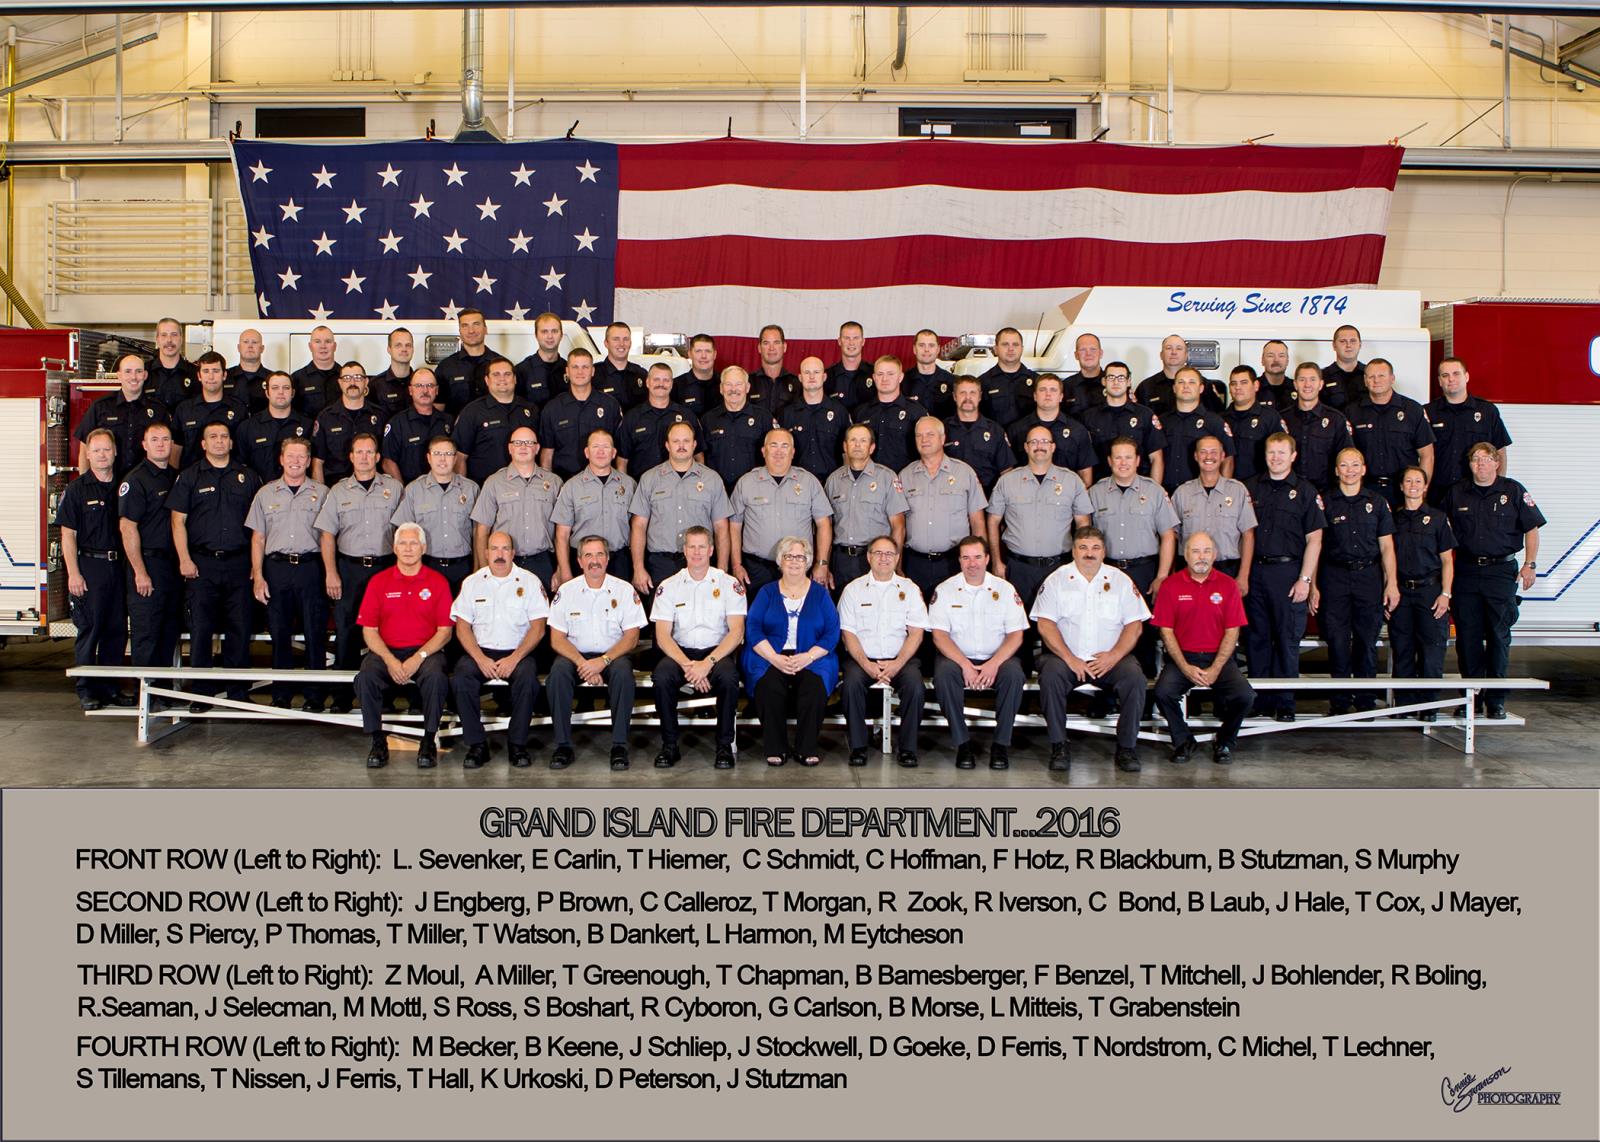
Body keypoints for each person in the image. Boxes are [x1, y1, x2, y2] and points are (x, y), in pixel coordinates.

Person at [1033, 527, 1150, 773]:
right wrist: (1070, 658)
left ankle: (1127, 748)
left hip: (1110, 659)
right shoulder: (1056, 580)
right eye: (1083, 547)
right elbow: (1045, 624)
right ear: (1073, 551)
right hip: (1067, 658)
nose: (1089, 553)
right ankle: (1059, 745)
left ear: (1104, 552)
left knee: (1134, 678)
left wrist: (1114, 656)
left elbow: (1135, 625)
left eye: (1095, 548)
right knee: (1051, 675)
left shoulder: (1120, 580)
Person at [1443, 441, 1544, 718]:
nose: (1481, 464)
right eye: (1476, 459)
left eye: (1487, 459)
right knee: (1468, 638)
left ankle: (1496, 699)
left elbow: (1532, 529)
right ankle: (1471, 698)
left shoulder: (1512, 491)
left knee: (1499, 637)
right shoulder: (1457, 493)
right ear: (1470, 463)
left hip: (1500, 573)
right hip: (1466, 572)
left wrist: (1530, 564)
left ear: (1497, 463)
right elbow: (1442, 530)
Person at [171, 421, 263, 706]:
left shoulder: (247, 477)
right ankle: (201, 693)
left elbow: (259, 526)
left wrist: (255, 566)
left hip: (238, 563)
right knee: (201, 630)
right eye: (213, 437)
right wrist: (184, 559)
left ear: (232, 443)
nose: (219, 441)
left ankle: (237, 693)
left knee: (240, 628)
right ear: (203, 443)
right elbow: (177, 521)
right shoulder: (189, 477)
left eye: (224, 436)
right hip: (202, 565)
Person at [353, 521, 454, 769]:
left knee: (436, 678)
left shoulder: (438, 582)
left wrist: (417, 658)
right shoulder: (378, 582)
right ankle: (378, 741)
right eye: (402, 544)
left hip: (426, 651)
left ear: (423, 547)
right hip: (387, 650)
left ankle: (429, 739)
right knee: (365, 676)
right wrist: (389, 660)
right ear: (394, 548)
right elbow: (369, 630)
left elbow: (445, 632)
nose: (408, 549)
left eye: (413, 543)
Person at [1149, 532, 1255, 765]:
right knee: (1163, 693)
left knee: (1245, 696)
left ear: (1215, 555)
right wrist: (1185, 667)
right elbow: (1166, 631)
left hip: (1219, 658)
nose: (1202, 557)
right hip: (1182, 658)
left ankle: (1225, 742)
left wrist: (1216, 667)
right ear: (1185, 555)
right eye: (1195, 551)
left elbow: (1232, 631)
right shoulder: (1170, 585)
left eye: (1207, 551)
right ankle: (1184, 741)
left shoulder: (1228, 586)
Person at [314, 433, 402, 712]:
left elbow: (405, 532)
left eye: (369, 452)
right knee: (347, 633)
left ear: (378, 457)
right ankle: (342, 697)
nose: (364, 457)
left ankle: (386, 697)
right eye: (359, 452)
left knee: (390, 632)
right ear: (351, 457)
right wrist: (331, 573)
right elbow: (327, 535)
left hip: (386, 569)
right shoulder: (337, 492)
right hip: (349, 570)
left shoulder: (395, 489)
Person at [546, 536, 648, 771]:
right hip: (575, 656)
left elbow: (631, 637)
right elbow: (557, 639)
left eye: (600, 554)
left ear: (608, 558)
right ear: (579, 560)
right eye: (589, 555)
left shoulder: (624, 590)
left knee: (623, 674)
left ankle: (619, 745)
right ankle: (563, 745)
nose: (595, 561)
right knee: (558, 674)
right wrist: (584, 664)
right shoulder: (566, 591)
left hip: (613, 654)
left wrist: (602, 661)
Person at [1242, 432, 1325, 722]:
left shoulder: (1305, 491)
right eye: (1271, 452)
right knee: (1257, 639)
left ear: (1293, 456)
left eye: (1281, 453)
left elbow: (1315, 540)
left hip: (1289, 573)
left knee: (1287, 640)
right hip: (1256, 572)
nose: (1275, 458)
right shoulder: (1250, 488)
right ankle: (1259, 700)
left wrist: (1305, 579)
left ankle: (1285, 703)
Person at [1310, 447, 1399, 716]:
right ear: (1336, 470)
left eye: (1355, 465)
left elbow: (1387, 548)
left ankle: (1365, 700)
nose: (1350, 470)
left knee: (1366, 639)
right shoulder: (1325, 502)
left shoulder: (1378, 502)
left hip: (1368, 577)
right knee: (1336, 640)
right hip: (1334, 576)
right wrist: (1313, 585)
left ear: (1364, 469)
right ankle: (1339, 700)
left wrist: (1391, 583)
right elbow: (1316, 545)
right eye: (1344, 465)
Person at [451, 530, 550, 769]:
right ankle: (477, 745)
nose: (500, 554)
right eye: (494, 549)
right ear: (485, 553)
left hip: (518, 652)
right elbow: (462, 627)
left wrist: (514, 658)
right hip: (480, 652)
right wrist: (480, 659)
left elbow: (538, 628)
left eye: (505, 549)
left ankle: (517, 745)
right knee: (461, 678)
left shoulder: (529, 581)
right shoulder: (472, 582)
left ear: (513, 553)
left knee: (528, 680)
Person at [651, 526, 747, 770]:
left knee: (728, 677)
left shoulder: (728, 584)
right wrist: (689, 666)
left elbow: (736, 632)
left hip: (717, 652)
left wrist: (707, 664)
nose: (696, 552)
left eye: (701, 546)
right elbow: (662, 636)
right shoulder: (669, 586)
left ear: (711, 550)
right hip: (680, 653)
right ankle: (670, 745)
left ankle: (724, 746)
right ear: (684, 551)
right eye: (691, 547)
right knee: (662, 677)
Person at [928, 535, 1028, 770]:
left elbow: (1016, 635)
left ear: (987, 559)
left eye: (977, 557)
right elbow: (939, 636)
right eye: (966, 558)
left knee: (1014, 675)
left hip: (998, 657)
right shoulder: (945, 590)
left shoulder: (1004, 589)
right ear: (959, 560)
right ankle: (962, 743)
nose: (972, 563)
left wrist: (994, 663)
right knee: (943, 675)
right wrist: (964, 664)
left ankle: (1001, 744)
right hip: (957, 657)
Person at [742, 535, 840, 768]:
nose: (794, 561)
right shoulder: (767, 592)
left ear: (807, 561)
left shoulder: (820, 593)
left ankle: (806, 748)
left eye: (800, 556)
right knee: (769, 686)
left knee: (813, 687)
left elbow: (832, 632)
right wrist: (775, 658)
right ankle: (775, 747)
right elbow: (753, 629)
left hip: (811, 656)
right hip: (770, 655)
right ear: (780, 561)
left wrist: (807, 657)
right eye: (789, 556)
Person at [246, 437, 330, 710]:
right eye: (290, 456)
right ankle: (281, 694)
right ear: (281, 459)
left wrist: (331, 573)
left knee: (315, 632)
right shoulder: (265, 493)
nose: (296, 462)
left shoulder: (323, 493)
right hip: (277, 568)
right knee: (279, 632)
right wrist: (258, 575)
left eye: (301, 457)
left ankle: (314, 696)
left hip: (311, 567)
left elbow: (329, 537)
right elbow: (258, 538)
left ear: (308, 460)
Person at [1088, 436, 1180, 680]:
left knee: (1145, 634)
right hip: (1106, 572)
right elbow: (1085, 536)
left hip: (1144, 571)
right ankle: (1106, 697)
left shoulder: (1154, 491)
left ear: (1138, 460)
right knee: (1106, 630)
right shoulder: (1096, 493)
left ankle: (1145, 698)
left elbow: (1168, 536)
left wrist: (1162, 576)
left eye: (1128, 457)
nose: (1123, 462)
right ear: (1109, 461)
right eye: (1118, 457)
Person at [58, 429, 133, 710]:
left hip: (119, 567)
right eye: (96, 450)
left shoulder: (125, 486)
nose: (102, 455)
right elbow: (68, 536)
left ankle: (111, 688)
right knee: (91, 629)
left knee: (116, 631)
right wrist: (74, 574)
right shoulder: (77, 490)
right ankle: (87, 689)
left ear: (115, 452)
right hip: (90, 566)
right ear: (88, 455)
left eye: (106, 449)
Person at [837, 536, 928, 768]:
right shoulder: (853, 590)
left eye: (889, 554)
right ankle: (858, 746)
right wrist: (866, 663)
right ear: (868, 557)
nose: (884, 558)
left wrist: (897, 663)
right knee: (850, 685)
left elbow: (916, 633)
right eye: (878, 553)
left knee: (915, 687)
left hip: (902, 660)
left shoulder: (910, 589)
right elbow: (848, 634)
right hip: (861, 659)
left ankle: (907, 748)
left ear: (897, 558)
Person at [987, 425, 1093, 611]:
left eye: (1045, 441)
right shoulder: (1007, 481)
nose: (1039, 446)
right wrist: (996, 562)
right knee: (1018, 625)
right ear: (1026, 447)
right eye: (1033, 442)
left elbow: (1083, 524)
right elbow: (993, 521)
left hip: (1059, 567)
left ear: (1053, 447)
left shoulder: (1072, 481)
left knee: (1060, 624)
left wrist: (1082, 562)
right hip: (1019, 569)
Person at [629, 421, 733, 592]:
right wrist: (638, 568)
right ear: (667, 445)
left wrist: (721, 570)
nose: (681, 446)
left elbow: (721, 527)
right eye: (676, 441)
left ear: (694, 445)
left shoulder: (712, 479)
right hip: (660, 564)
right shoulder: (650, 479)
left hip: (700, 562)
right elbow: (638, 526)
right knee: (662, 617)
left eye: (686, 441)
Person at [1388, 466, 1456, 722]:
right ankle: (1403, 706)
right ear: (1401, 486)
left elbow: (1447, 560)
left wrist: (1446, 594)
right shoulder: (1393, 519)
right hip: (1402, 592)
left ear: (1426, 487)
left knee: (1432, 652)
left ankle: (1429, 707)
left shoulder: (1438, 519)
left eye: (1418, 481)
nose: (1413, 485)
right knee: (1402, 649)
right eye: (1408, 481)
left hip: (1430, 592)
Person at [730, 429, 833, 595]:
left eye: (785, 446)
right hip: (756, 570)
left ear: (792, 452)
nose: (779, 451)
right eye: (773, 445)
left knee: (797, 618)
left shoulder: (809, 482)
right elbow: (734, 526)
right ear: (764, 451)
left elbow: (824, 525)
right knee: (759, 617)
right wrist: (736, 565)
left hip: (797, 568)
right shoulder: (746, 482)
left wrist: (822, 563)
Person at [900, 417, 988, 601]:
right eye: (919, 435)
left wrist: (981, 563)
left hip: (954, 563)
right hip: (916, 564)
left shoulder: (964, 473)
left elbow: (977, 522)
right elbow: (898, 525)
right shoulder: (905, 475)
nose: (924, 440)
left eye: (930, 434)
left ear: (942, 438)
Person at [118, 421, 181, 674]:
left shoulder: (176, 476)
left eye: (165, 439)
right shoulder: (136, 480)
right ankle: (147, 694)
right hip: (148, 564)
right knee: (147, 632)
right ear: (144, 445)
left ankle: (163, 693)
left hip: (171, 566)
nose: (161, 444)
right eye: (154, 440)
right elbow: (127, 527)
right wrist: (140, 572)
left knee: (168, 630)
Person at [471, 426, 561, 585]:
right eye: (518, 443)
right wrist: (485, 569)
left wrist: (560, 567)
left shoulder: (554, 482)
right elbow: (482, 531)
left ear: (537, 448)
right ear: (510, 448)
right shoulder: (494, 482)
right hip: (503, 562)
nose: (523, 447)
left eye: (529, 442)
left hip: (542, 562)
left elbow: (561, 532)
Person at [391, 437, 478, 598]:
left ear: (455, 458)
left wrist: (478, 568)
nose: (443, 459)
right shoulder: (414, 490)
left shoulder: (471, 489)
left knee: (462, 618)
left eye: (448, 454)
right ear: (429, 458)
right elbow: (403, 531)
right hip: (426, 566)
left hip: (462, 567)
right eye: (437, 453)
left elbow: (478, 532)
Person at [824, 425, 908, 591]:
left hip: (876, 560)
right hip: (841, 562)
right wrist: (825, 564)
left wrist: (896, 565)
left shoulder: (887, 477)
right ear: (845, 446)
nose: (857, 445)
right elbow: (826, 527)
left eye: (863, 441)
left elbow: (898, 526)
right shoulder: (834, 480)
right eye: (853, 440)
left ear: (872, 448)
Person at [552, 429, 635, 586]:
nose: (601, 451)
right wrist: (565, 571)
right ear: (587, 452)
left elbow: (637, 528)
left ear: (614, 452)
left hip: (619, 562)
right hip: (583, 562)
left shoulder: (629, 485)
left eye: (606, 446)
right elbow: (561, 535)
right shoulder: (571, 486)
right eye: (596, 446)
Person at [1347, 359, 1434, 508]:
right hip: (1365, 490)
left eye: (1381, 376)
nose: (1376, 380)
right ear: (1365, 381)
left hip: (1403, 492)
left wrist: (1420, 491)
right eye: (1371, 377)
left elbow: (1427, 455)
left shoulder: (1412, 410)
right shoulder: (1352, 412)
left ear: (1392, 379)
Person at [1171, 435, 1257, 583]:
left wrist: (1243, 576)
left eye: (1214, 452)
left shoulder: (1237, 490)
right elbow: (1172, 536)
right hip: (1189, 573)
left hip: (1228, 570)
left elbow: (1248, 535)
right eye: (1203, 452)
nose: (1208, 456)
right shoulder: (1182, 492)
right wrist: (1171, 574)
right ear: (1196, 456)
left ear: (1222, 456)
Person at [1426, 357, 1512, 503]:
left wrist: (1497, 487)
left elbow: (1500, 452)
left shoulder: (1487, 411)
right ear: (1439, 381)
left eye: (1456, 374)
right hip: (1438, 493)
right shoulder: (1428, 412)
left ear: (1466, 376)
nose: (1451, 379)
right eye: (1445, 375)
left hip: (1476, 493)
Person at [75, 352, 170, 478]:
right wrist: (85, 484)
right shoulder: (100, 407)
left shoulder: (158, 410)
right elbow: (84, 449)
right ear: (119, 375)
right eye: (128, 371)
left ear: (145, 375)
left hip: (146, 484)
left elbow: (168, 448)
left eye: (138, 371)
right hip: (108, 483)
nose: (134, 377)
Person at [538, 349, 624, 480]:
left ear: (593, 371)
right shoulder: (553, 408)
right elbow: (547, 454)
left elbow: (619, 449)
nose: (580, 372)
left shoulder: (610, 405)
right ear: (567, 371)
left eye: (585, 367)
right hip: (564, 482)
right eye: (575, 367)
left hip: (602, 482)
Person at [453, 357, 538, 485]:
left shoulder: (530, 410)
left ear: (515, 379)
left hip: (525, 488)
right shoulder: (472, 412)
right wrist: (461, 491)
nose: (502, 379)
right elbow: (460, 457)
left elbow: (538, 450)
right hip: (484, 489)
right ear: (487, 380)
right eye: (496, 374)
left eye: (507, 374)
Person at [1081, 361, 1166, 486]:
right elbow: (1084, 461)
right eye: (1111, 377)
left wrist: (1155, 492)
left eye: (1121, 378)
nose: (1116, 382)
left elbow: (1156, 458)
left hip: (1139, 488)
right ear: (1103, 381)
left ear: (1129, 381)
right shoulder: (1089, 417)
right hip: (1101, 489)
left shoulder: (1144, 415)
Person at [1006, 373, 1096, 483]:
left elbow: (1085, 474)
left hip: (1066, 497)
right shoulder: (1017, 430)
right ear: (1035, 396)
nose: (1048, 394)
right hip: (1026, 496)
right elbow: (1009, 472)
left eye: (1053, 390)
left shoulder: (1078, 431)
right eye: (1043, 390)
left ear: (1061, 396)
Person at [1158, 368, 1235, 493]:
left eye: (1192, 382)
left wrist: (1221, 494)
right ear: (1174, 388)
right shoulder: (1162, 422)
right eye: (1181, 382)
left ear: (1201, 388)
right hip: (1166, 493)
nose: (1186, 386)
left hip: (1200, 494)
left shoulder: (1215, 422)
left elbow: (1227, 460)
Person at [619, 362, 701, 475]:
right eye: (656, 379)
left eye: (666, 380)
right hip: (641, 488)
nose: (661, 384)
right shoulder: (632, 417)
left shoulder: (687, 416)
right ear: (647, 382)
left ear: (672, 384)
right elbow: (622, 461)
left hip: (679, 487)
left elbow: (699, 457)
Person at [1282, 362, 1352, 492]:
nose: (1307, 385)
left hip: (1326, 493)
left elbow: (1347, 458)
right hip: (1289, 492)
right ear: (1295, 384)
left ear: (1320, 384)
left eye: (1312, 380)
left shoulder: (1336, 419)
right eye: (1302, 380)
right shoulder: (1282, 419)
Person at [311, 361, 384, 486]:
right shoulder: (326, 417)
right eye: (347, 378)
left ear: (366, 382)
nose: (352, 383)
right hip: (335, 488)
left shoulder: (380, 415)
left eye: (358, 378)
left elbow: (386, 459)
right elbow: (317, 462)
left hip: (372, 488)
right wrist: (322, 496)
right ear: (340, 383)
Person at [703, 366, 774, 492]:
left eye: (738, 384)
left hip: (754, 490)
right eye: (728, 384)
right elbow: (701, 457)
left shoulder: (763, 417)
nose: (733, 389)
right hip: (717, 491)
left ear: (747, 387)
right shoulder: (708, 419)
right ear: (721, 388)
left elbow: (771, 454)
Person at [780, 356, 851, 482]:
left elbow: (848, 452)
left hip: (832, 484)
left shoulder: (839, 412)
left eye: (816, 372)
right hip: (796, 485)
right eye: (807, 373)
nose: (811, 377)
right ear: (800, 378)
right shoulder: (787, 414)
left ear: (824, 377)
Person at [173, 351, 248, 468]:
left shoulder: (238, 408)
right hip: (192, 480)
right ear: (199, 376)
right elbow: (176, 449)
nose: (211, 376)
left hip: (230, 478)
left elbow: (244, 449)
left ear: (224, 375)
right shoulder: (184, 409)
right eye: (206, 371)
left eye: (216, 371)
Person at [380, 368, 454, 485]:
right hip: (411, 493)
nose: (425, 390)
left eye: (430, 385)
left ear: (436, 390)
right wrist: (404, 493)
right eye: (419, 385)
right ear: (410, 390)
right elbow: (388, 463)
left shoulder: (448, 421)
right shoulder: (397, 423)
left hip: (443, 491)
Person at [238, 371, 313, 484]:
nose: (281, 392)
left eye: (286, 388)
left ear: (292, 393)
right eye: (275, 388)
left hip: (299, 494)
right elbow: (241, 466)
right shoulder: (248, 427)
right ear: (267, 393)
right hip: (259, 493)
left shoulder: (308, 426)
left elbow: (314, 464)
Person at [943, 377, 1014, 494]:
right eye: (962, 393)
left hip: (987, 497)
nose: (967, 398)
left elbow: (1007, 472)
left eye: (972, 393)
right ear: (954, 396)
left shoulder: (995, 430)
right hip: (951, 497)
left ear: (980, 396)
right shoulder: (942, 429)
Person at [851, 356, 920, 471]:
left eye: (890, 374)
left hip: (904, 480)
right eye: (880, 374)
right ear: (874, 377)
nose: (885, 379)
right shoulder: (861, 413)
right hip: (868, 480)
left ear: (901, 377)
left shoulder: (916, 412)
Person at [1223, 365, 1284, 484]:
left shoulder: (1270, 417)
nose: (1238, 387)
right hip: (1228, 489)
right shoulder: (1220, 420)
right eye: (1233, 383)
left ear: (1256, 386)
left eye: (1244, 382)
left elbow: (1281, 454)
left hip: (1261, 488)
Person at [1137, 334, 1224, 414]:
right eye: (1168, 348)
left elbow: (1217, 416)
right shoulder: (1146, 387)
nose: (1174, 352)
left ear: (1186, 355)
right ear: (1161, 355)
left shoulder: (1204, 385)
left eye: (1179, 348)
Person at [436, 308, 498, 410]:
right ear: (459, 331)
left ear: (485, 329)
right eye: (465, 326)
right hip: (457, 425)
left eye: (476, 324)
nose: (471, 331)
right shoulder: (445, 367)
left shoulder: (501, 364)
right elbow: (438, 408)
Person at [975, 327, 1036, 426]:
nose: (1011, 349)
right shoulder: (983, 383)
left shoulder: (1037, 382)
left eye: (1015, 344)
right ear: (995, 349)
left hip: (1029, 440)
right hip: (995, 440)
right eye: (1005, 344)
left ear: (1022, 349)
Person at [514, 311, 567, 408]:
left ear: (561, 335)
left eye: (554, 331)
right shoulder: (522, 371)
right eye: (544, 331)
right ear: (536, 335)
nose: (550, 336)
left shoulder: (570, 369)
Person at [593, 321, 647, 409]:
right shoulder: (593, 374)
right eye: (616, 339)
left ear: (630, 343)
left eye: (626, 339)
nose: (621, 344)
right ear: (606, 343)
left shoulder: (641, 374)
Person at [905, 328, 957, 418]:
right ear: (914, 349)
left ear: (938, 350)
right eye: (921, 345)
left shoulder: (952, 382)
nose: (926, 350)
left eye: (931, 345)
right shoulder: (902, 381)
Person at [148, 316, 197, 410]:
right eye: (164, 335)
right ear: (157, 339)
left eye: (174, 334)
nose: (169, 340)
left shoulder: (195, 374)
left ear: (181, 339)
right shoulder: (144, 372)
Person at [291, 325, 341, 416]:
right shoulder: (297, 378)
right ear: (310, 346)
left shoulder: (346, 377)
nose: (323, 346)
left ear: (334, 346)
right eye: (317, 342)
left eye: (328, 341)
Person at [367, 327, 417, 417]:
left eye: (408, 345)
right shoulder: (375, 385)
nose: (404, 349)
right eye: (398, 345)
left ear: (413, 349)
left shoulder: (421, 384)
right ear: (389, 349)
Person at [749, 324, 798, 412]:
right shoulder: (748, 382)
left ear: (785, 347)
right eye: (766, 343)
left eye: (776, 342)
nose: (771, 348)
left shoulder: (797, 384)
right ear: (759, 348)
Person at [825, 322, 873, 408]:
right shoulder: (827, 376)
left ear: (863, 341)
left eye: (856, 338)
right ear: (839, 341)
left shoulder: (875, 373)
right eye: (847, 338)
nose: (851, 343)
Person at [673, 333, 721, 417]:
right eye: (698, 351)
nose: (703, 356)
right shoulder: (675, 386)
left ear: (715, 355)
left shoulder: (725, 384)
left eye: (708, 351)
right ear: (690, 354)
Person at [1320, 324, 1366, 410]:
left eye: (1353, 341)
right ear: (1334, 345)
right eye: (1342, 341)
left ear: (1360, 345)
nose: (1348, 345)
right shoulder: (1322, 376)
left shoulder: (1370, 374)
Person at [1060, 333, 1107, 415]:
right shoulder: (1066, 386)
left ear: (1101, 353)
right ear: (1076, 355)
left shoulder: (1113, 383)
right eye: (1083, 350)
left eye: (1093, 349)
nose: (1088, 354)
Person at [225, 327, 270, 411]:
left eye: (254, 342)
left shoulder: (272, 379)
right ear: (238, 347)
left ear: (262, 348)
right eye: (246, 342)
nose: (250, 346)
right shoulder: (225, 377)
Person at [1258, 340, 1295, 411]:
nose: (1276, 360)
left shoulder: (1297, 388)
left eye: (1281, 356)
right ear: (1262, 360)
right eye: (1270, 356)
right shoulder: (1251, 389)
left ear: (1287, 361)